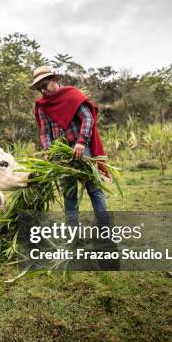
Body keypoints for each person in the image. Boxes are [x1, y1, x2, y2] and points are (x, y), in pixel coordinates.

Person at [30, 65, 110, 227]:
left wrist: (81, 142)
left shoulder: (72, 95)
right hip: (60, 154)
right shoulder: (42, 106)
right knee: (69, 194)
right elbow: (45, 133)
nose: (43, 91)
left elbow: (88, 118)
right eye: (39, 89)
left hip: (82, 148)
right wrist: (47, 150)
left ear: (54, 80)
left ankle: (105, 231)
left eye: (44, 86)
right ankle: (73, 233)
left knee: (94, 189)